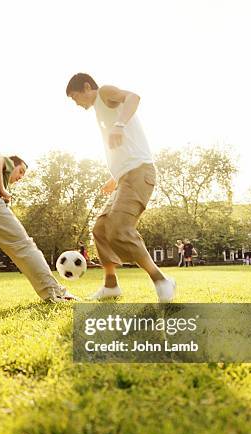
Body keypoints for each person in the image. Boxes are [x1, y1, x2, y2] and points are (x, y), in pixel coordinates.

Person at [66, 73, 176, 302]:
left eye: (76, 97)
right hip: (125, 177)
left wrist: (119, 124)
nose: (77, 104)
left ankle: (161, 280)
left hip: (139, 173)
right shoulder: (99, 111)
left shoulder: (104, 92)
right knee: (101, 228)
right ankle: (111, 285)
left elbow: (134, 97)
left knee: (118, 228)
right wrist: (114, 178)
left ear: (87, 87)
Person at [0, 151, 77, 303]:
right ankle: (56, 293)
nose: (20, 177)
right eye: (20, 171)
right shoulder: (6, 165)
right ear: (13, 165)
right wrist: (1, 188)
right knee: (23, 245)